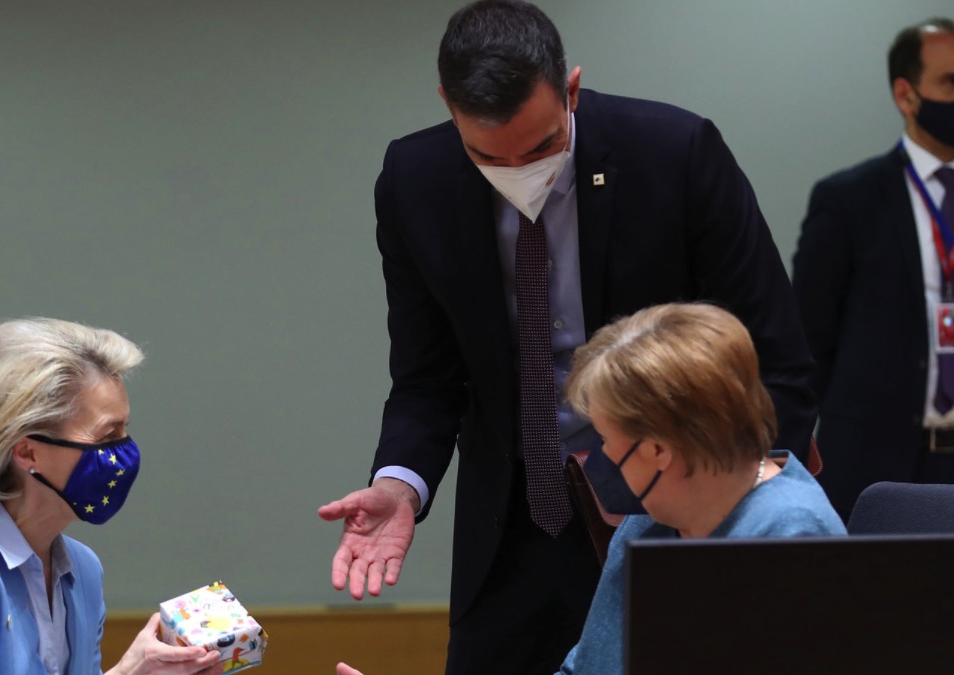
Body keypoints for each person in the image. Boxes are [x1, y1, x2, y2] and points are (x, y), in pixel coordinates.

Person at [317, 2, 817, 673]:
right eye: (487, 156)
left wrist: (725, 503)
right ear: (447, 105)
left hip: (670, 510)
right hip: (513, 528)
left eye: (542, 147)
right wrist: (400, 483)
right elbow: (426, 376)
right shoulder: (417, 180)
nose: (519, 171)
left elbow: (776, 360)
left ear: (571, 89)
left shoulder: (674, 153)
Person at [333, 303, 845, 675]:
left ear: (658, 451)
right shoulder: (656, 516)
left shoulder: (790, 535)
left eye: (606, 442)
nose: (601, 460)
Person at [0, 318, 225, 675]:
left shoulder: (83, 569)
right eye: (106, 436)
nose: (125, 454)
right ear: (27, 453)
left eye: (125, 430)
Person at [792, 18, 954, 521]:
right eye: (952, 83)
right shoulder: (847, 201)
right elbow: (808, 342)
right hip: (882, 466)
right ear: (906, 94)